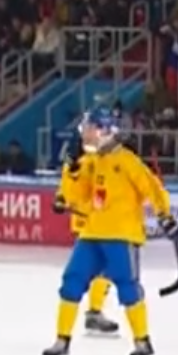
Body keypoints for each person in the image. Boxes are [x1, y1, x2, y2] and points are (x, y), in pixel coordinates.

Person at [41, 106, 178, 355]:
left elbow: (152, 188)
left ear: (106, 131)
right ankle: (62, 341)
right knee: (71, 282)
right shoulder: (90, 161)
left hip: (121, 235)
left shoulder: (127, 161)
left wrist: (165, 215)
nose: (85, 134)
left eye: (90, 129)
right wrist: (71, 171)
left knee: (127, 287)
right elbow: (77, 194)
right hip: (92, 232)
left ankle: (143, 343)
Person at [54, 126, 120, 338]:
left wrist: (61, 198)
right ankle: (93, 311)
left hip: (90, 217)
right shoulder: (89, 159)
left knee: (99, 268)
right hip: (92, 218)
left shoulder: (81, 157)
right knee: (102, 267)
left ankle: (91, 310)